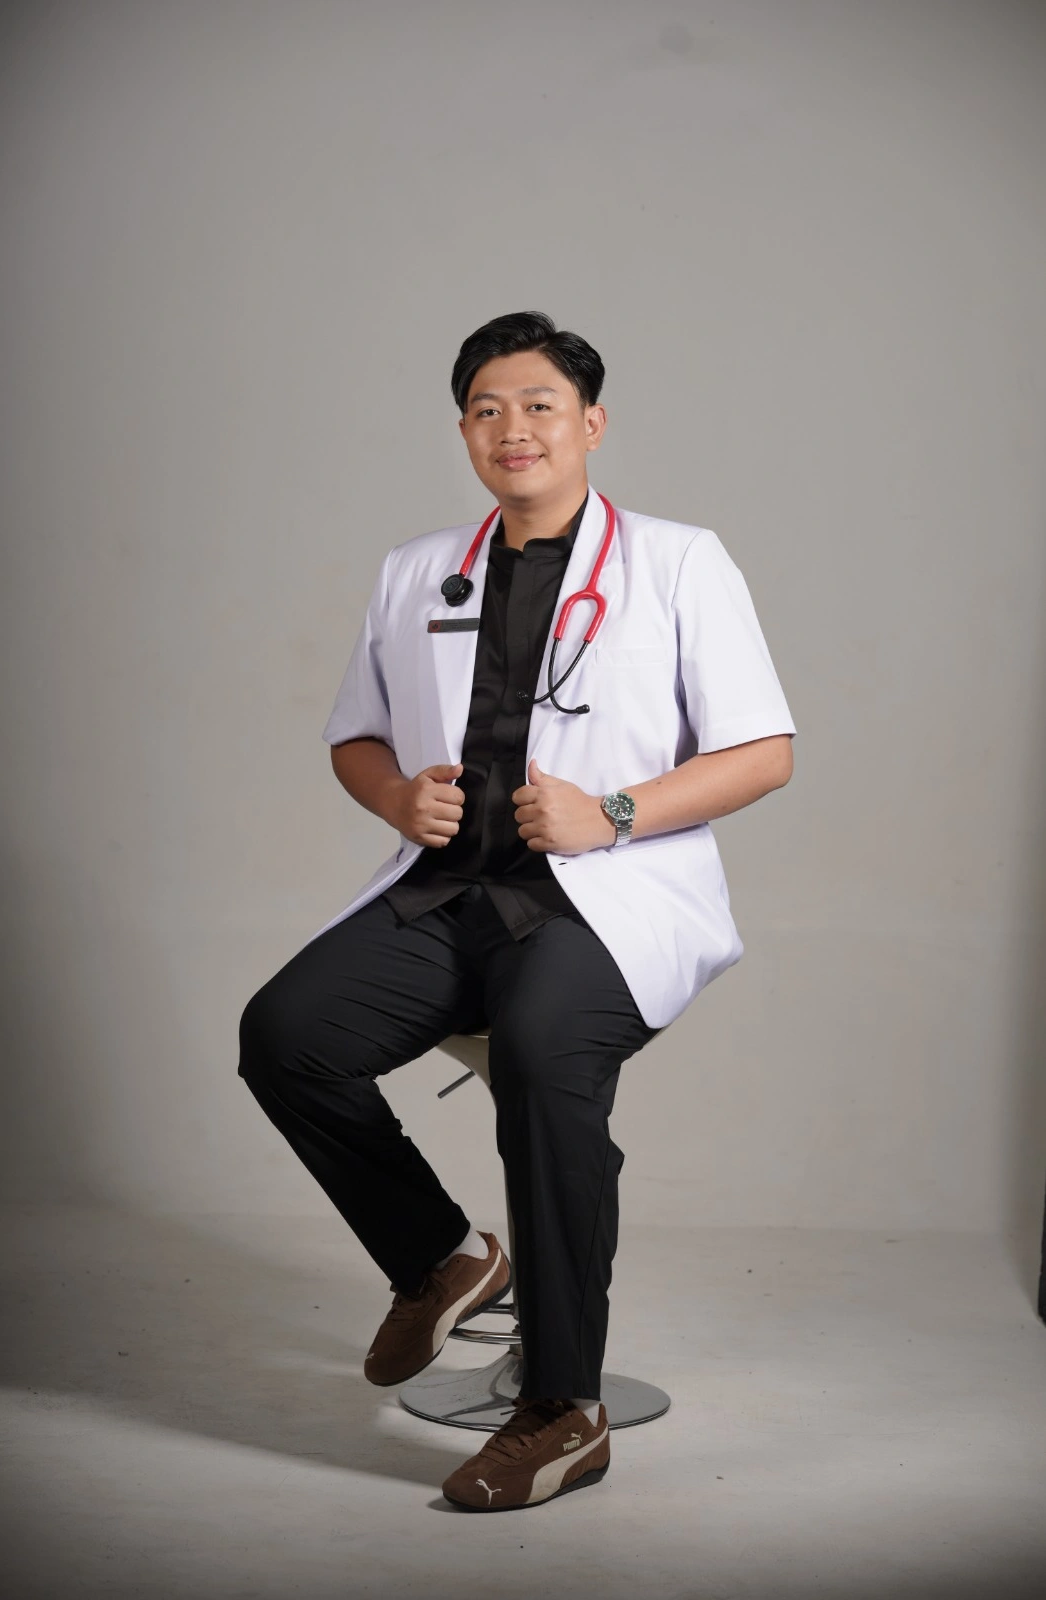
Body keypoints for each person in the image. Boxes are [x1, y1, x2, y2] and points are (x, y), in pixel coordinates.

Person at [238, 310, 796, 1511]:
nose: (513, 428)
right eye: (486, 409)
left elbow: (763, 751)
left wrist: (616, 812)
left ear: (591, 423)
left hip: (606, 899)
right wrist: (397, 796)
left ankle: (561, 1409)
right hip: (449, 892)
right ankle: (439, 1257)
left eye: (539, 405)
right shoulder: (415, 570)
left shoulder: (679, 561)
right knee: (286, 1034)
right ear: (464, 433)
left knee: (542, 1053)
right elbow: (356, 735)